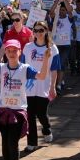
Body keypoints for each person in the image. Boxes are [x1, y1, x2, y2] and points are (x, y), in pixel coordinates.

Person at [0, 39, 51, 160]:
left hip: (18, 112)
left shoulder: (25, 68)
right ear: (5, 52)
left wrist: (45, 59)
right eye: (9, 50)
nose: (11, 53)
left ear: (20, 52)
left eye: (14, 50)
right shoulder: (1, 68)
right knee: (5, 144)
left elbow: (42, 75)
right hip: (4, 111)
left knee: (12, 143)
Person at [22, 21, 60, 152]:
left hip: (44, 86)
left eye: (41, 30)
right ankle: (32, 142)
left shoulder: (52, 49)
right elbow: (22, 67)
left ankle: (46, 128)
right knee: (30, 115)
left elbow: (54, 70)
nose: (38, 33)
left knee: (41, 114)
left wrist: (53, 87)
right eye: (36, 30)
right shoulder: (27, 47)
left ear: (46, 31)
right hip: (29, 87)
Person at [49, 0, 74, 95]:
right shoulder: (56, 19)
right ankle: (58, 81)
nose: (62, 12)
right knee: (55, 64)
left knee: (62, 64)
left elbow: (70, 9)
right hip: (55, 45)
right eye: (61, 10)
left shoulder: (69, 19)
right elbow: (51, 12)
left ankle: (58, 85)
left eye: (64, 10)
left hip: (65, 45)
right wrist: (57, 0)